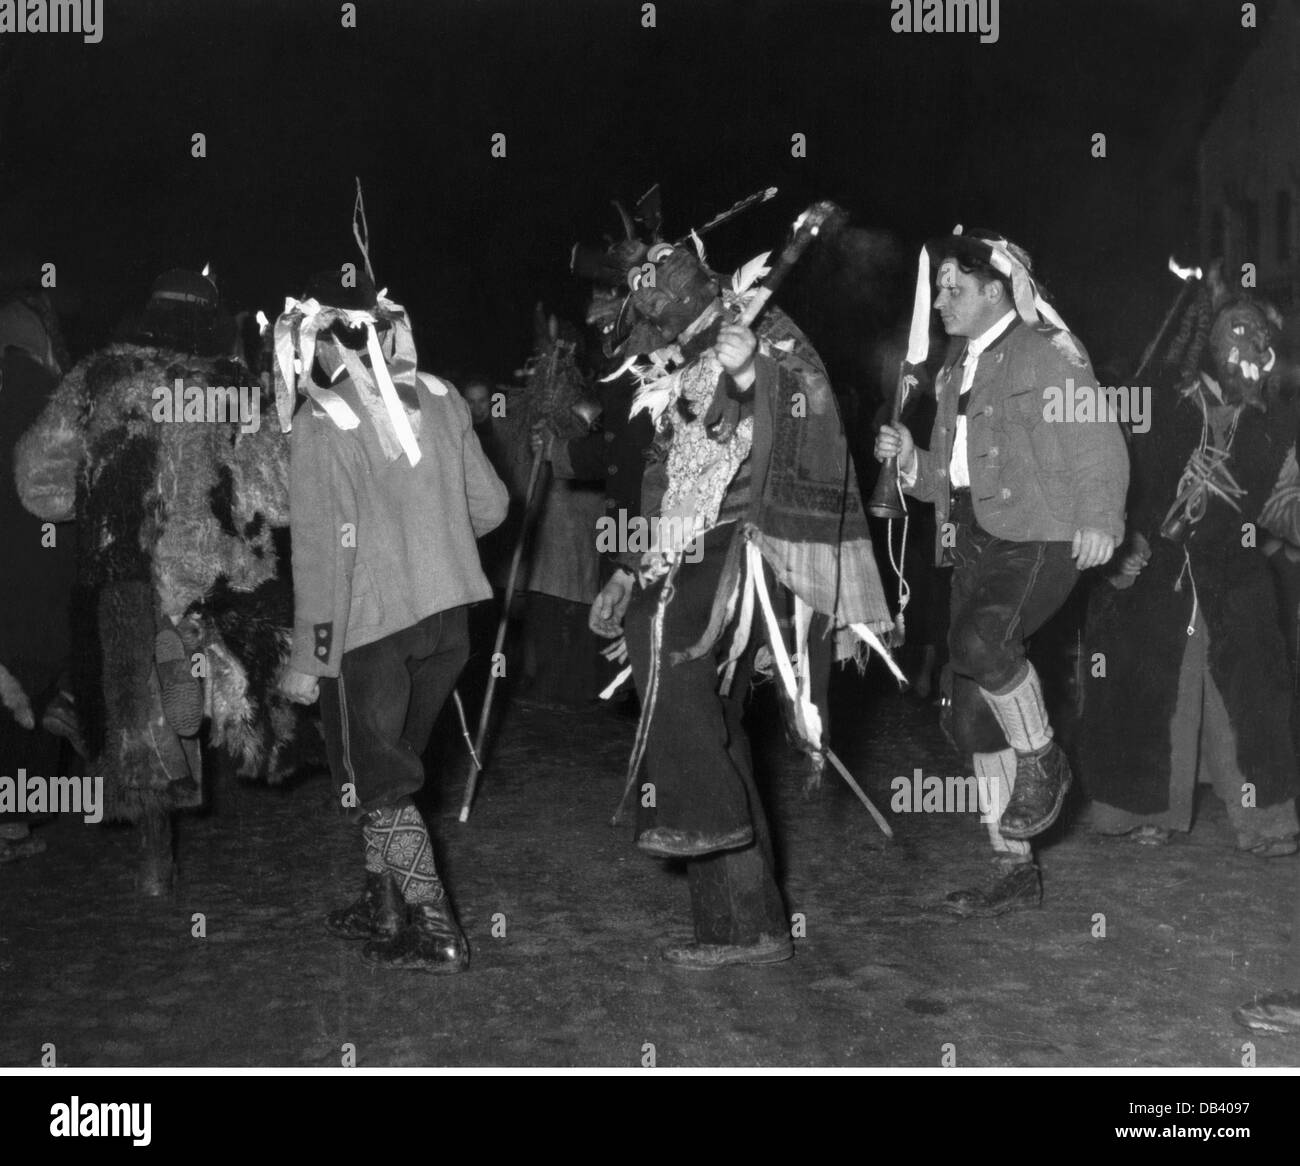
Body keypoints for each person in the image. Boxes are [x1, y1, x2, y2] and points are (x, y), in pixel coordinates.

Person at [589, 237, 895, 968]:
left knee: (666, 635)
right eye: (645, 300)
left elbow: (815, 405)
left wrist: (752, 368)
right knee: (707, 724)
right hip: (688, 542)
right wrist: (630, 566)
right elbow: (664, 477)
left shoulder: (767, 325)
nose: (654, 308)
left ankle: (702, 814)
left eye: (660, 290)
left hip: (755, 537)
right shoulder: (670, 368)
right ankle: (743, 926)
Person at [874, 227, 1127, 914]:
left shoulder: (1043, 353)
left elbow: (1096, 435)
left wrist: (1100, 517)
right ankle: (1013, 867)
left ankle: (1045, 756)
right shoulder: (955, 368)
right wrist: (907, 461)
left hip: (1039, 532)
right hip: (971, 539)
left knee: (982, 643)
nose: (943, 300)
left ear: (997, 291)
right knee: (969, 724)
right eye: (941, 290)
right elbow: (944, 479)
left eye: (957, 289)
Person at [15, 267, 292, 893]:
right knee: (202, 671)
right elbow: (277, 498)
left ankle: (154, 855)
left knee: (129, 715)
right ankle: (194, 677)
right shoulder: (233, 385)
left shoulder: (96, 376)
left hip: (120, 570)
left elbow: (38, 485)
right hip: (211, 573)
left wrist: (91, 496)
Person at [275, 269, 507, 974]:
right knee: (394, 773)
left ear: (319, 349)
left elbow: (321, 562)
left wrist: (310, 662)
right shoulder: (436, 395)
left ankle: (435, 925)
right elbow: (493, 507)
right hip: (449, 623)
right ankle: (383, 905)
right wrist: (430, 536)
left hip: (372, 632)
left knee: (380, 780)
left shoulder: (318, 424)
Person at [1080, 282, 1300, 856]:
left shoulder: (1272, 430)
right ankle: (1143, 807)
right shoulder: (1157, 399)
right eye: (1237, 328)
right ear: (1209, 343)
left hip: (1234, 569)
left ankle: (1265, 819)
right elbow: (1107, 468)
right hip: (1154, 567)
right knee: (1148, 676)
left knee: (1252, 681)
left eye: (1261, 334)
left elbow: (1283, 502)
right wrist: (1118, 536)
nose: (1249, 341)